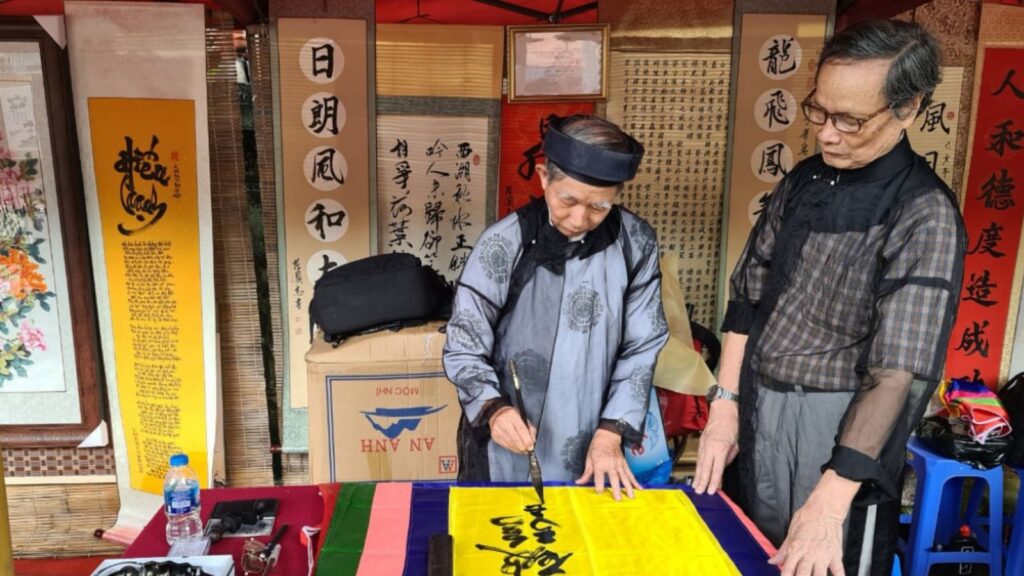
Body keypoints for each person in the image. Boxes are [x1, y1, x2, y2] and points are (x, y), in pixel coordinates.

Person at [694, 20, 965, 576]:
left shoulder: (923, 211)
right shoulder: (804, 181)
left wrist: (833, 495)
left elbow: (900, 372)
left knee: (822, 555)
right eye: (818, 111)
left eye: (850, 120)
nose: (827, 133)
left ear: (908, 109)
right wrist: (724, 406)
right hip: (761, 408)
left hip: (843, 426)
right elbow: (748, 296)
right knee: (752, 554)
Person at [443, 114, 669, 501]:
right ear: (545, 177)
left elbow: (643, 344)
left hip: (597, 438)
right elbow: (465, 342)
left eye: (599, 206)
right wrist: (493, 409)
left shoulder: (636, 242)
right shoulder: (503, 244)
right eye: (568, 200)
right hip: (510, 438)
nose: (580, 219)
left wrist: (611, 431)